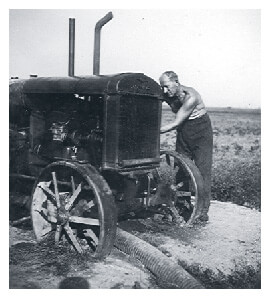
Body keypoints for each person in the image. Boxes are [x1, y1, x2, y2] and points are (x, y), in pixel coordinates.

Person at [159, 71, 213, 222]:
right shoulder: (167, 94)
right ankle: (183, 206)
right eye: (162, 87)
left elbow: (176, 122)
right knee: (181, 168)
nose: (164, 91)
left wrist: (154, 130)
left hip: (201, 130)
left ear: (176, 82)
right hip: (183, 131)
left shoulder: (191, 96)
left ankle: (202, 212)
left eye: (167, 86)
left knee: (202, 171)